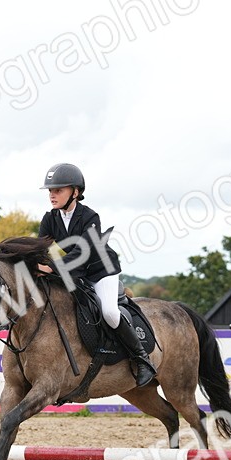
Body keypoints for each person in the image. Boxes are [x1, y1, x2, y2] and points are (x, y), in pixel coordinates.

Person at [36, 162, 155, 386]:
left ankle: (142, 360)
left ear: (76, 192)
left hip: (101, 272)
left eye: (58, 190)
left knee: (109, 312)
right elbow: (42, 248)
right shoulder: (50, 219)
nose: (52, 195)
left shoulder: (90, 217)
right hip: (76, 273)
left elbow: (84, 251)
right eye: (50, 191)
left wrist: (52, 267)